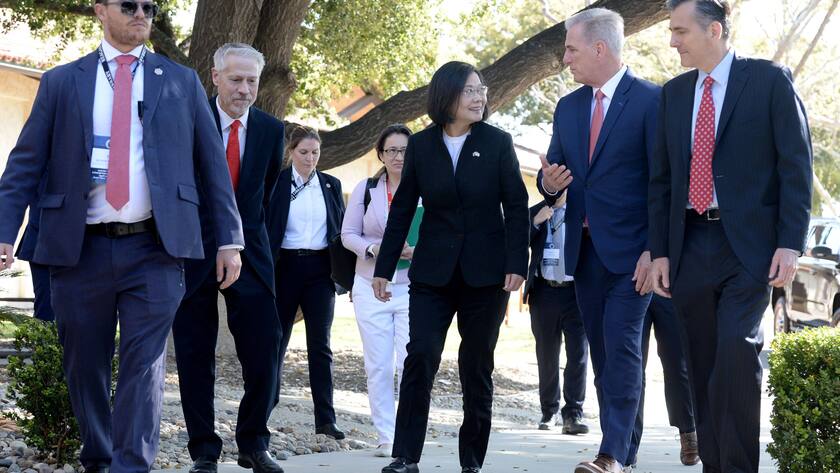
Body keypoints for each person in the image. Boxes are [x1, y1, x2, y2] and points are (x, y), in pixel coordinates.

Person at [0, 1, 245, 471]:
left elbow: (212, 164)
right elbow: (26, 161)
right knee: (84, 364)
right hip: (80, 248)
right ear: (99, 10)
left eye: (149, 7)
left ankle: (131, 466)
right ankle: (99, 457)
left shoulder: (180, 81)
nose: (141, 14)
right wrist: (5, 230)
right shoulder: (61, 82)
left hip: (155, 248)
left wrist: (230, 239)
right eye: (128, 5)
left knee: (144, 364)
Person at [648, 1, 812, 471]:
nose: (672, 41)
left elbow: (796, 167)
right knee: (700, 364)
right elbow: (661, 181)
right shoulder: (674, 94)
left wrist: (790, 241)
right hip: (689, 245)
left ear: (714, 30)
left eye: (680, 31)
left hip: (749, 248)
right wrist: (659, 252)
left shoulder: (768, 81)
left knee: (737, 355)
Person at [373, 61, 529, 473]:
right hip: (432, 274)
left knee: (476, 365)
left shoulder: (498, 142)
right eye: (470, 91)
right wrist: (383, 268)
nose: (480, 97)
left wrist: (518, 262)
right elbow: (404, 206)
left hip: (486, 275)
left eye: (482, 90)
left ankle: (471, 461)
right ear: (447, 97)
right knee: (420, 355)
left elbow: (515, 205)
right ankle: (405, 456)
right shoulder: (421, 146)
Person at [538, 8, 660, 473]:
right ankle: (625, 453)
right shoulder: (568, 107)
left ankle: (610, 454)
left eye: (571, 48)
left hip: (635, 256)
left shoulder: (652, 100)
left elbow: (661, 185)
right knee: (605, 353)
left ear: (599, 47)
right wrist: (549, 183)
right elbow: (552, 177)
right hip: (584, 253)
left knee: (622, 345)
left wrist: (656, 249)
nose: (565, 58)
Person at [172, 43, 285, 473]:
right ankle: (203, 450)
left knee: (266, 349)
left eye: (251, 81)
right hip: (193, 252)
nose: (244, 89)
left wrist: (247, 245)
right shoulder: (187, 122)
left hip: (251, 256)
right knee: (194, 352)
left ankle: (254, 442)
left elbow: (266, 196)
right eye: (235, 79)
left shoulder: (272, 131)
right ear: (215, 77)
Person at [268, 126, 346, 440]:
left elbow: (339, 229)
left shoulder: (330, 184)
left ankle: (325, 419)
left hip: (319, 271)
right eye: (303, 152)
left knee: (320, 346)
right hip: (285, 266)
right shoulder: (276, 183)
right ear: (291, 152)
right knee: (276, 341)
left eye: (315, 152)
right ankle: (263, 411)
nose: (310, 158)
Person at [341, 124, 414, 457]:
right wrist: (376, 250)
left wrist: (419, 249)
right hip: (371, 285)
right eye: (392, 151)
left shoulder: (426, 188)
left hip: (414, 287)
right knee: (379, 364)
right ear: (381, 155)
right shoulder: (367, 189)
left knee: (412, 361)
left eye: (404, 150)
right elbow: (348, 235)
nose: (398, 157)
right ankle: (387, 434)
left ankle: (410, 433)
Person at [523, 192, 589, 434]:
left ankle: (573, 413)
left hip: (576, 292)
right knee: (547, 353)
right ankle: (548, 410)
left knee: (578, 354)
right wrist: (535, 223)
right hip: (544, 292)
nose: (557, 189)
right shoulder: (535, 211)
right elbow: (517, 241)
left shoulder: (582, 210)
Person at [628, 295, 698, 469]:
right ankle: (628, 444)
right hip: (633, 284)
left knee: (677, 365)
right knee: (632, 368)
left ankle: (688, 431)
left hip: (670, 288)